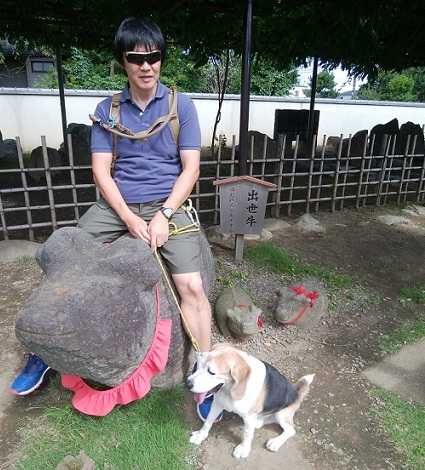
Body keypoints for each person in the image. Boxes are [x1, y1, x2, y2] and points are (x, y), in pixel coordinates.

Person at [10, 17, 218, 422]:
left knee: (191, 286)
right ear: (122, 62)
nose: (147, 66)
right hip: (116, 205)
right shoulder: (108, 110)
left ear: (161, 59)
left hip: (167, 203)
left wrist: (163, 215)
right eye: (136, 59)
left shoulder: (181, 105)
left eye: (153, 57)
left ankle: (206, 374)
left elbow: (191, 169)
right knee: (63, 258)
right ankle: (42, 352)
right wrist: (128, 218)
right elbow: (101, 171)